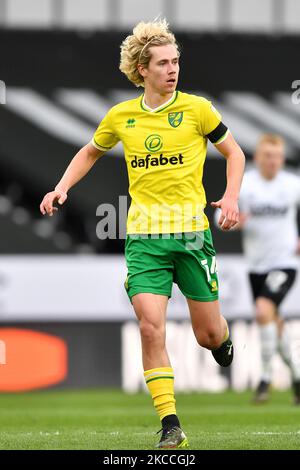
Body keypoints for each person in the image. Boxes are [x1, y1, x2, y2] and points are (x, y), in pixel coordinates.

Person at [40, 19, 245, 448]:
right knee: (150, 328)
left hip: (191, 236)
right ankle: (171, 424)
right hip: (144, 239)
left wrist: (229, 197)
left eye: (176, 62)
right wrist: (61, 187)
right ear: (142, 70)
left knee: (207, 335)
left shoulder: (198, 109)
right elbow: (91, 151)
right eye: (164, 63)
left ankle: (222, 339)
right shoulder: (122, 116)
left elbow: (233, 152)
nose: (173, 70)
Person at [232, 134, 300, 404]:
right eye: (268, 155)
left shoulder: (292, 184)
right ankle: (297, 378)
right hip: (255, 266)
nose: (273, 161)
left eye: (277, 156)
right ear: (257, 157)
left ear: (283, 159)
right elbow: (221, 215)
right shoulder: (246, 183)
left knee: (263, 309)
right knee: (272, 320)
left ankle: (264, 379)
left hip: (284, 263)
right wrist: (233, 220)